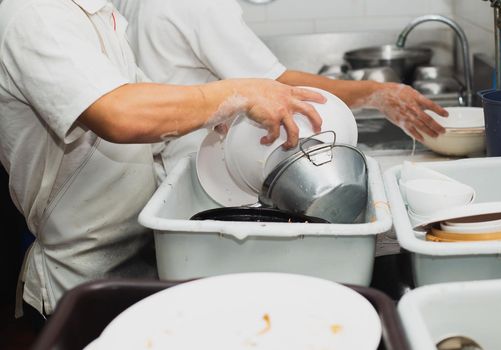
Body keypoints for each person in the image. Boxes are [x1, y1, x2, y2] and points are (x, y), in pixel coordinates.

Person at [0, 0, 326, 318]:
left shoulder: (96, 12)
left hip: (133, 258)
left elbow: (143, 94)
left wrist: (213, 115)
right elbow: (119, 113)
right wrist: (237, 94)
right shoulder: (36, 13)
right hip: (81, 286)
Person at [112, 0, 448, 179]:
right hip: (207, 172)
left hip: (167, 167)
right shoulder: (202, 5)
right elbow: (276, 84)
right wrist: (376, 94)